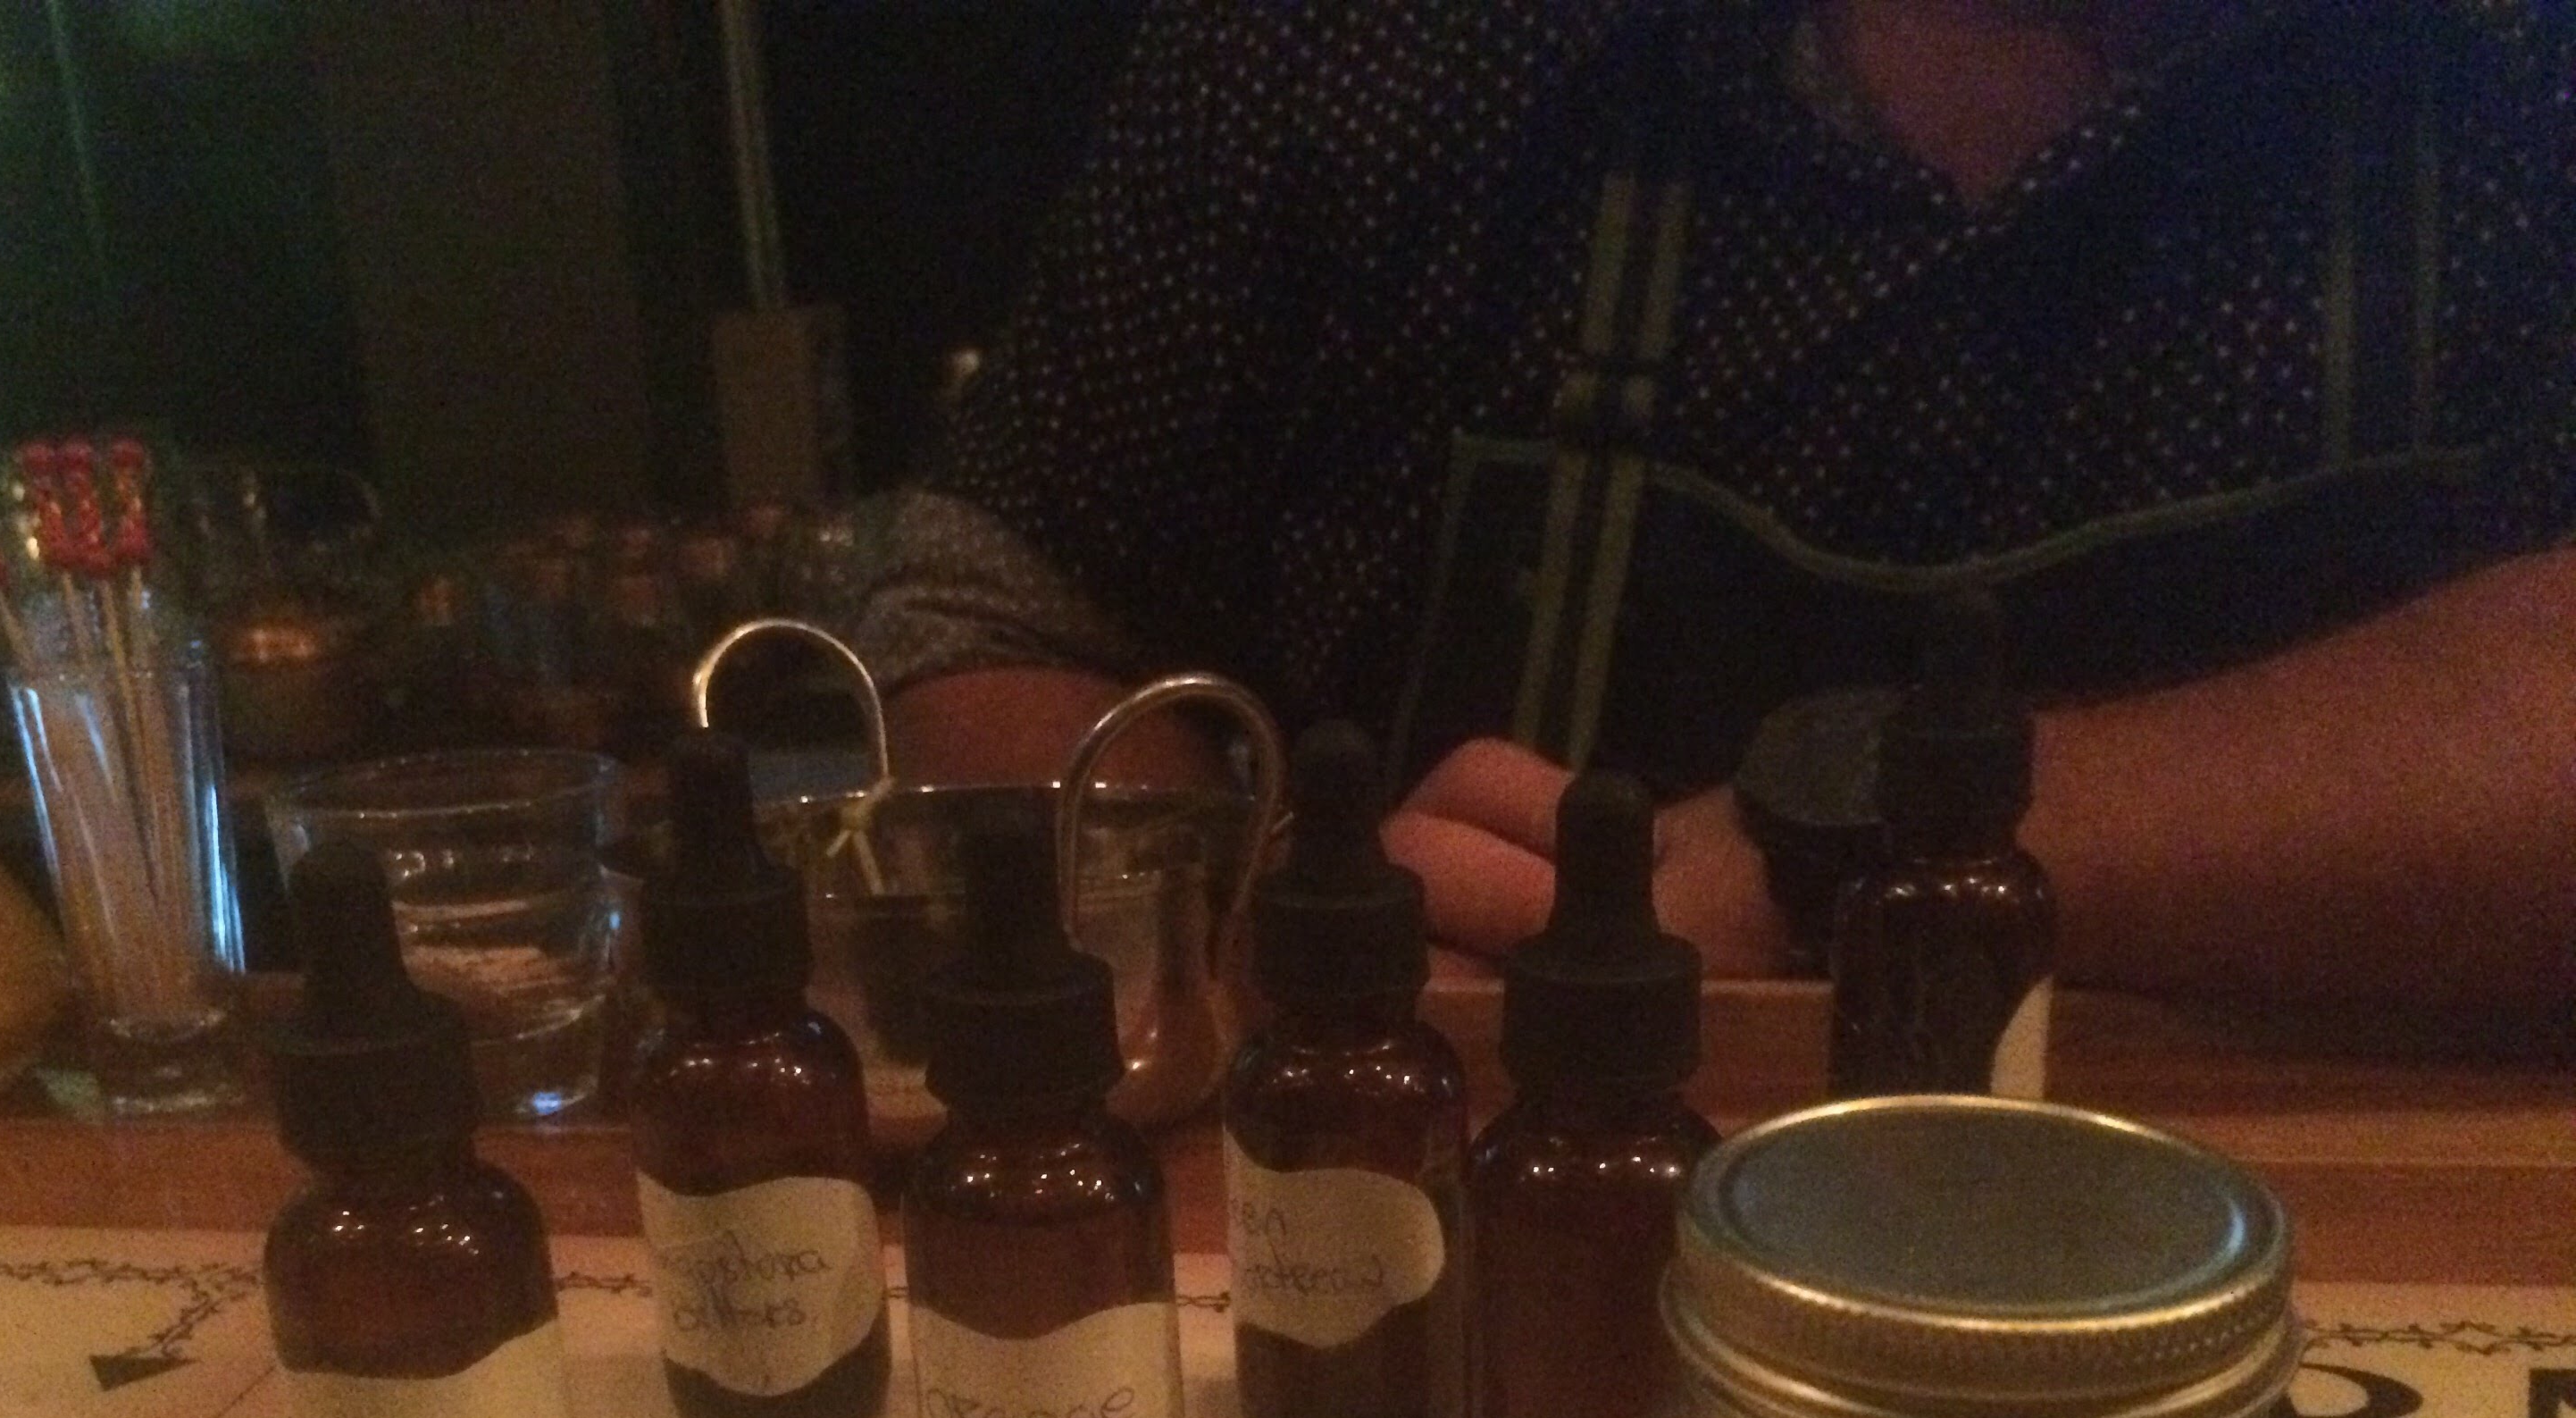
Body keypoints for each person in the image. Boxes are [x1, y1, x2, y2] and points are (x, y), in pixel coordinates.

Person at [849, 0, 2576, 1037]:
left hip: (2353, 1248)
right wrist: (1258, 950)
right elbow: (1002, 618)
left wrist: (1827, 853)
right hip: (1493, 1229)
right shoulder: (1358, 46)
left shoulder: (2520, 76)